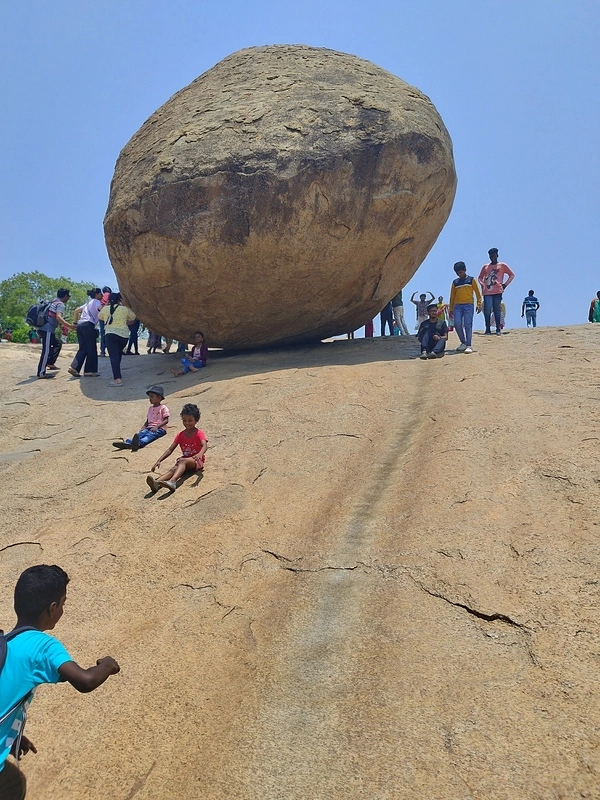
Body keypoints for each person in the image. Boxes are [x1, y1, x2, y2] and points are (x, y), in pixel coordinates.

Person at [0, 565, 119, 800]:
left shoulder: (5, 644)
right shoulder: (42, 646)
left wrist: (12, 735)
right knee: (13, 786)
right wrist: (107, 665)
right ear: (53, 609)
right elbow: (85, 681)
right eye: (63, 604)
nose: (62, 609)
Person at [147, 403, 207, 493]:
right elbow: (170, 449)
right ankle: (157, 482)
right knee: (174, 469)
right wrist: (159, 460)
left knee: (182, 461)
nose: (187, 423)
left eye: (190, 420)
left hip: (197, 461)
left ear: (196, 420)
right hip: (185, 462)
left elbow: (205, 445)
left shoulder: (199, 433)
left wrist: (200, 454)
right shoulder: (181, 435)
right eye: (184, 420)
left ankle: (173, 481)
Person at [113, 385, 170, 451]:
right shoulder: (150, 409)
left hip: (160, 429)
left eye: (152, 396)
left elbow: (166, 420)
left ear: (159, 398)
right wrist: (144, 426)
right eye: (149, 397)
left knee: (149, 436)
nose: (150, 399)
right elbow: (148, 419)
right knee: (141, 433)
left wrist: (157, 426)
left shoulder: (163, 408)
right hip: (149, 427)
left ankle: (139, 444)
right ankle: (128, 442)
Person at [98, 293, 136, 387]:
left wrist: (106, 306)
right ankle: (117, 374)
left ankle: (117, 379)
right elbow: (133, 317)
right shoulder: (124, 309)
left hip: (110, 334)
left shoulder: (106, 309)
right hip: (123, 336)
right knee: (118, 355)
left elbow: (100, 316)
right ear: (119, 300)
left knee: (114, 356)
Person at [36, 288, 76, 379]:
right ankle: (41, 373)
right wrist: (70, 326)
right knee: (46, 351)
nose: (68, 298)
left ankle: (50, 362)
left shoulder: (52, 301)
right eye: (68, 296)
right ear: (65, 296)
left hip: (42, 328)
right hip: (47, 329)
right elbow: (58, 317)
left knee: (57, 343)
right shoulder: (60, 304)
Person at [478, 248, 515, 335]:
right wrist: (483, 284)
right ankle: (487, 328)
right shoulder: (485, 267)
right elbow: (480, 277)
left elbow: (511, 275)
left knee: (496, 309)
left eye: (494, 255)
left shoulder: (502, 265)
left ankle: (498, 328)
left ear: (497, 255)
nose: (492, 257)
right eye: (491, 256)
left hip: (498, 290)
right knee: (487, 309)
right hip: (487, 291)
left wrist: (505, 284)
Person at [68, 288, 103, 377]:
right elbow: (100, 309)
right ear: (97, 294)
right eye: (101, 294)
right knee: (91, 348)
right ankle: (89, 370)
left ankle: (74, 367)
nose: (102, 296)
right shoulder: (96, 301)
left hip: (80, 325)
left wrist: (75, 323)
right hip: (88, 324)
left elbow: (76, 311)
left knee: (83, 348)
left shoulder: (87, 303)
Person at [449, 261, 482, 354]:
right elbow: (452, 296)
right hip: (457, 306)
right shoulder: (455, 282)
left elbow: (478, 293)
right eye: (458, 273)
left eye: (461, 272)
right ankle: (462, 342)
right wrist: (451, 308)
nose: (460, 274)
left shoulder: (471, 280)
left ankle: (469, 345)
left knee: (468, 324)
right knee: (457, 324)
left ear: (465, 270)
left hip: (468, 305)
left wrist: (479, 304)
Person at [98, 286, 111, 357]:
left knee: (103, 334)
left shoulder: (102, 296)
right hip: (108, 316)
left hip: (101, 316)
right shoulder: (109, 295)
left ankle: (102, 351)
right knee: (109, 333)